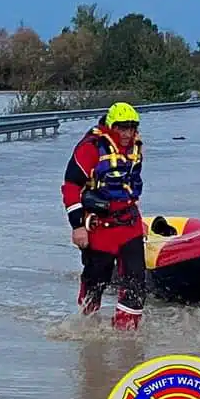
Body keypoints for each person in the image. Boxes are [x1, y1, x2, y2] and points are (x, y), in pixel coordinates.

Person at [61, 102, 147, 330]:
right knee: (95, 281)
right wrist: (77, 226)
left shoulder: (136, 148)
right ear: (111, 126)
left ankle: (127, 334)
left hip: (129, 223)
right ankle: (87, 327)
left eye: (131, 128)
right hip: (99, 226)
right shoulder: (90, 148)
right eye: (122, 128)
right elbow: (71, 187)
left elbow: (130, 185)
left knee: (136, 281)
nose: (127, 134)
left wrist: (139, 218)